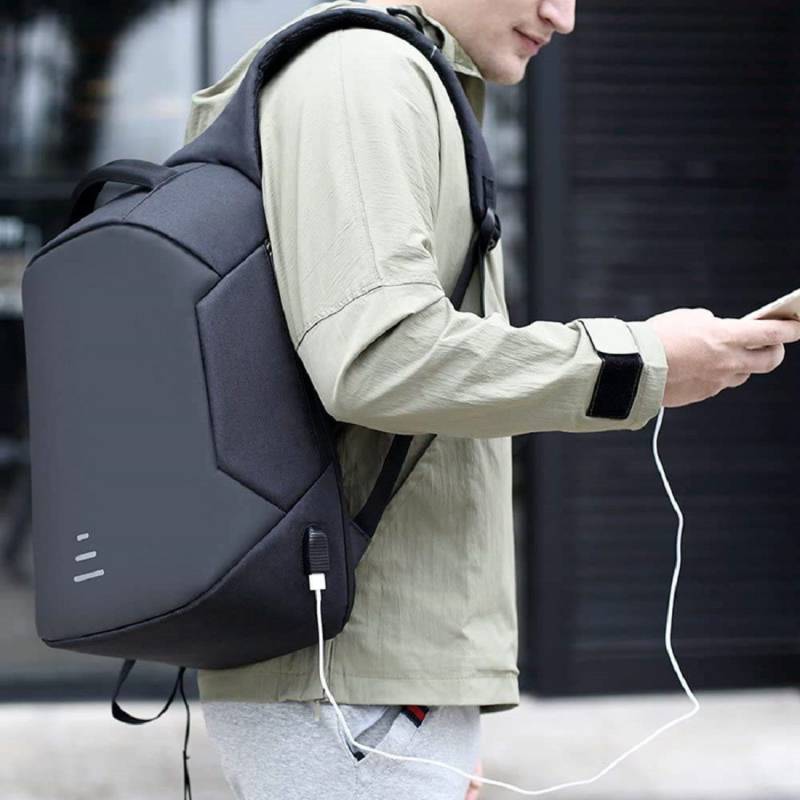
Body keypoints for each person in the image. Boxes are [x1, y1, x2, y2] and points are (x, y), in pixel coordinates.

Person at [181, 2, 800, 798]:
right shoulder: (360, 69)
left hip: (374, 687)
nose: (563, 17)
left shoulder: (398, 73)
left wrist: (441, 722)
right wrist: (640, 362)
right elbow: (377, 357)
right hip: (349, 686)